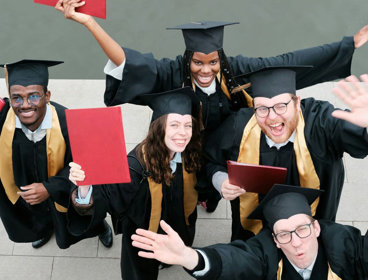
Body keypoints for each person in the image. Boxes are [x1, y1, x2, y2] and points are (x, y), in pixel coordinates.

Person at [55, 0, 368, 212]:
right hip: (182, 146)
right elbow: (126, 62)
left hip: (225, 146)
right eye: (198, 62)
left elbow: (289, 61)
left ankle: (210, 200)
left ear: (221, 58)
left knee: (217, 186)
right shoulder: (170, 73)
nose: (205, 70)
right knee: (184, 186)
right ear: (188, 58)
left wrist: (347, 45)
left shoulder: (239, 70)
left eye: (213, 62)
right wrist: (90, 23)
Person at [205, 69, 368, 242]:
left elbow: (355, 134)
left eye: (281, 106)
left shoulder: (320, 123)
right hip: (254, 235)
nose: (272, 118)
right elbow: (210, 160)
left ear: (297, 103)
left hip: (312, 227)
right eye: (262, 108)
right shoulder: (239, 127)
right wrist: (221, 181)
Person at [67, 87, 202, 280]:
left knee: (178, 241)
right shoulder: (135, 166)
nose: (183, 133)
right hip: (144, 231)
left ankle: (168, 259)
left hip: (178, 218)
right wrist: (85, 185)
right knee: (141, 271)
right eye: (174, 125)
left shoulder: (190, 152)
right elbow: (106, 197)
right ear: (159, 127)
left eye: (188, 125)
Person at [131, 184, 368, 279]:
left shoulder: (344, 243)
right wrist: (189, 257)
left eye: (302, 229)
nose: (296, 243)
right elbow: (237, 260)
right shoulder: (265, 252)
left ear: (316, 227)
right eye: (284, 234)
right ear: (275, 240)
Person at [0, 59, 113, 249]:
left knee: (84, 211)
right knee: (38, 215)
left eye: (34, 96)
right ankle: (44, 230)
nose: (25, 105)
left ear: (47, 95)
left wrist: (48, 188)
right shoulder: (4, 123)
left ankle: (99, 227)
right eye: (16, 98)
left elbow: (85, 167)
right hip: (28, 190)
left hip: (63, 191)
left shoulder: (69, 123)